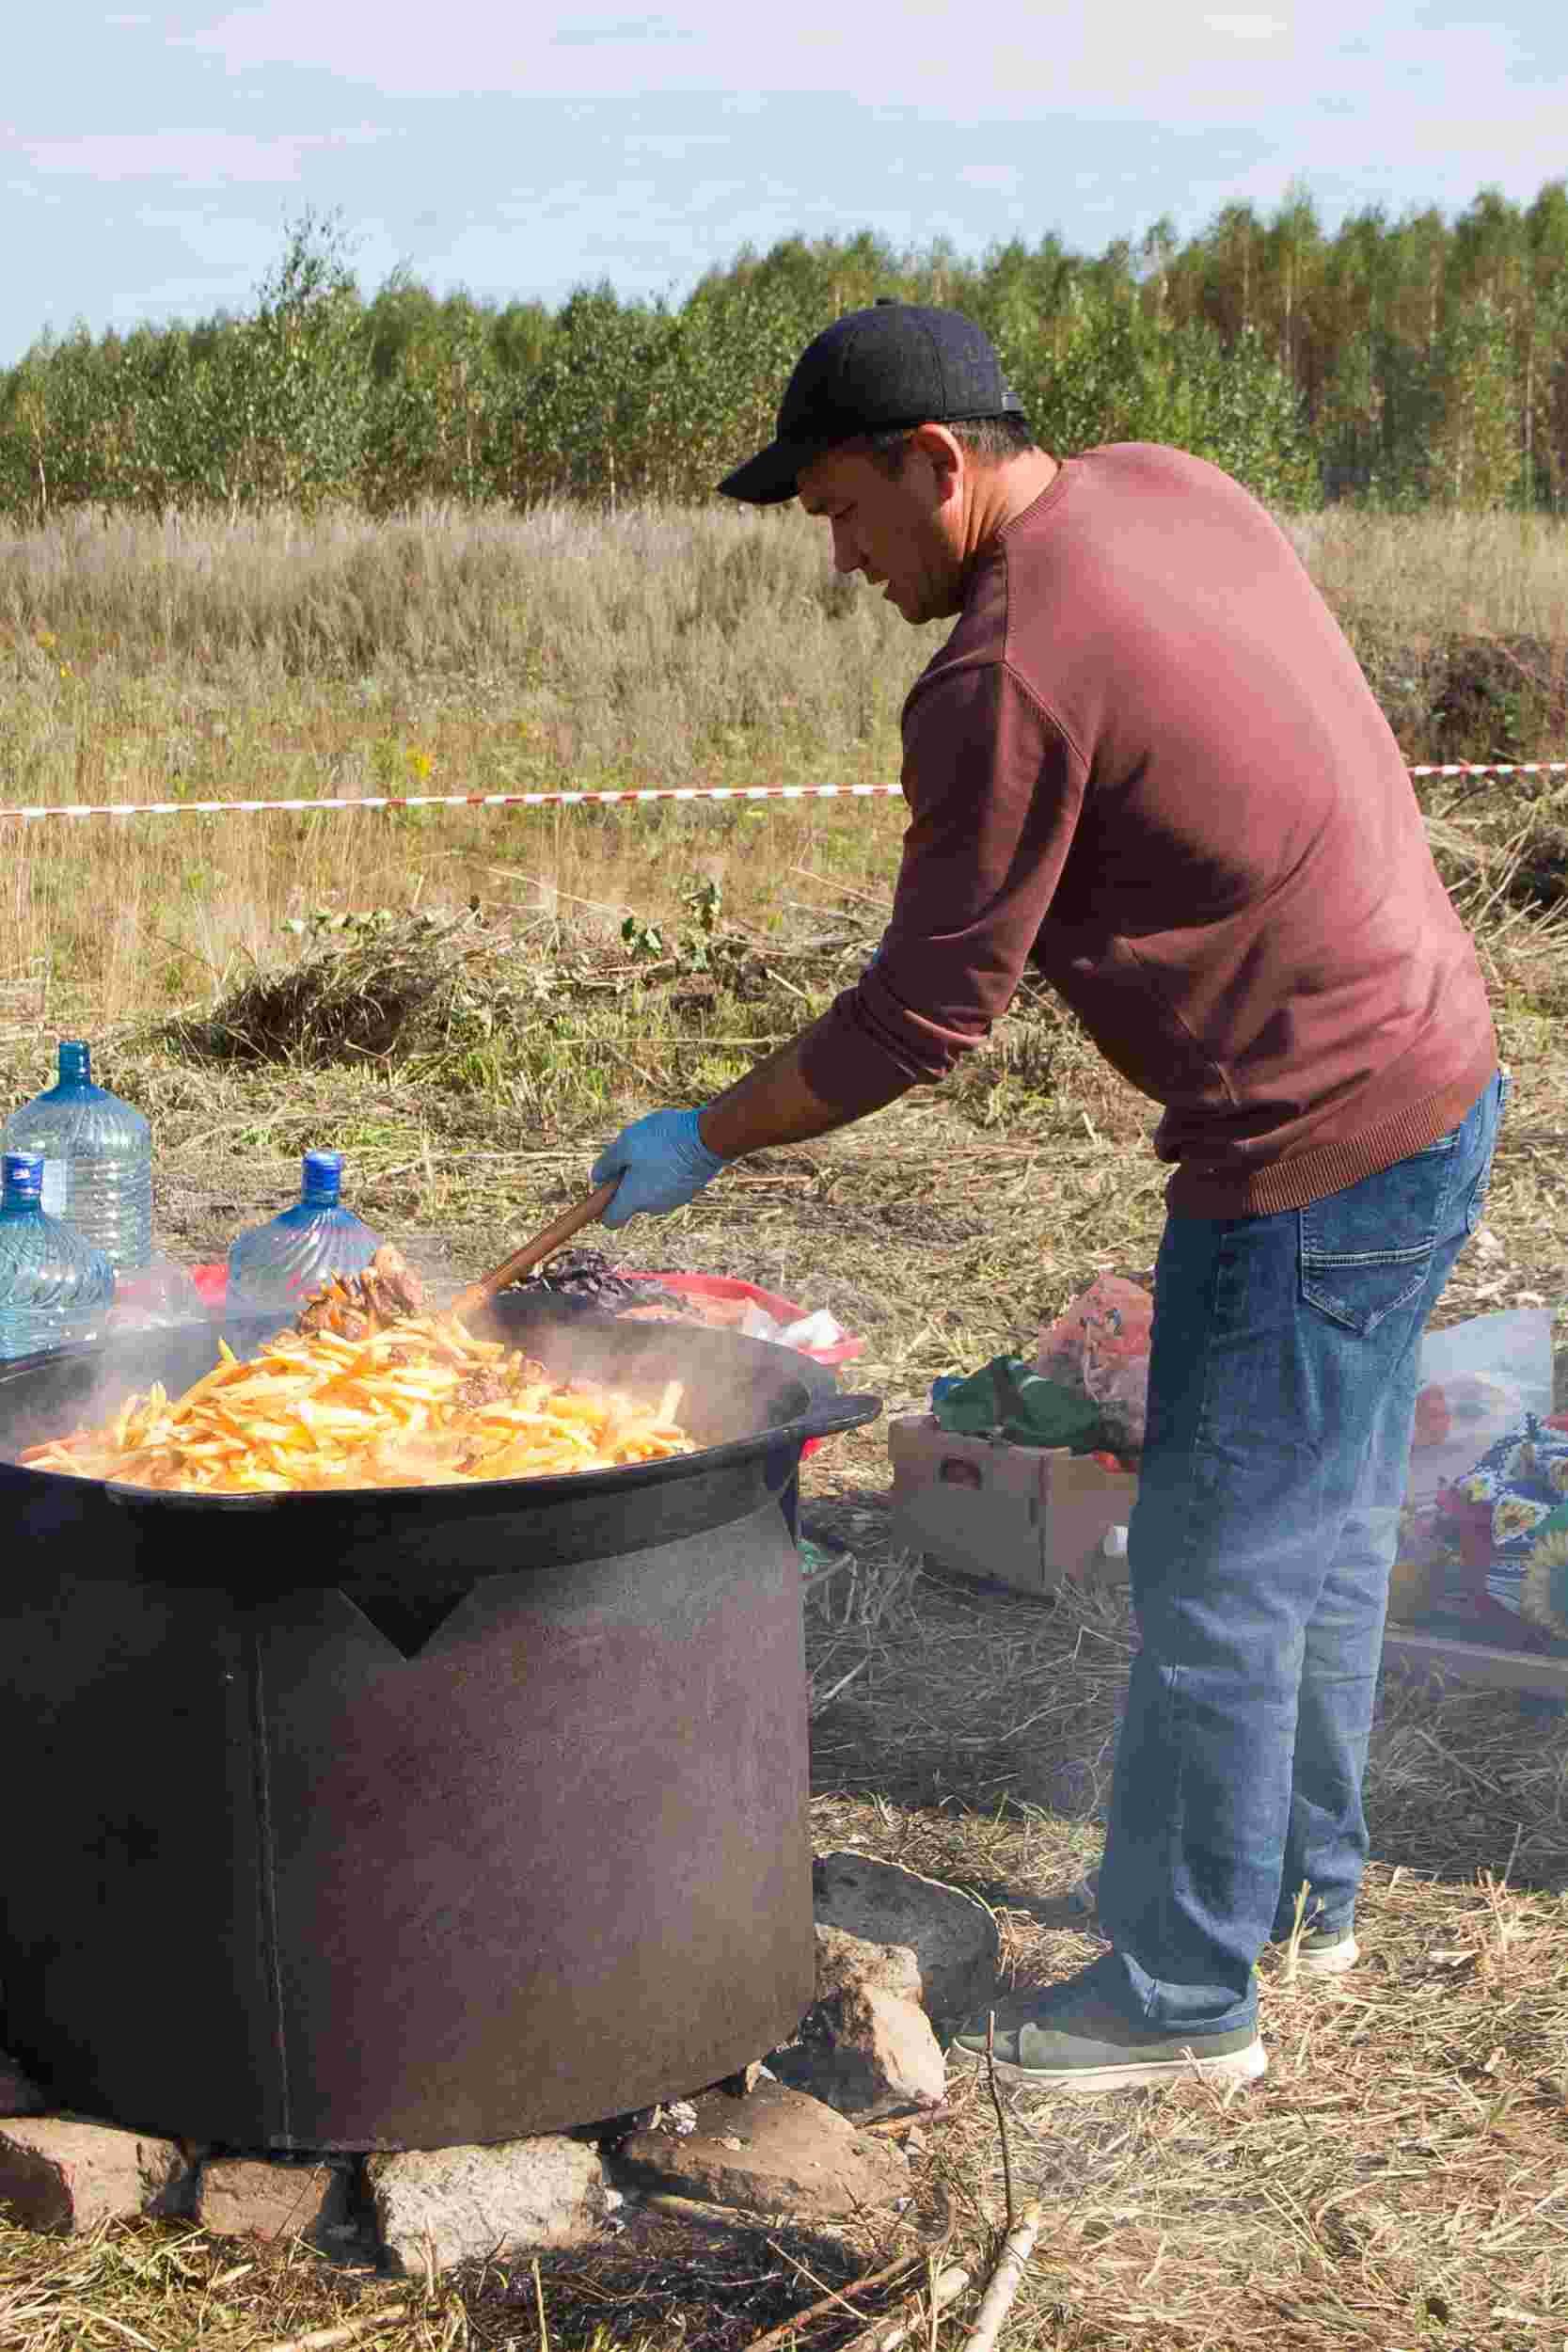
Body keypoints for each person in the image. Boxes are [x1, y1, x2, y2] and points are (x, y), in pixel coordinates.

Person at [591, 303, 1503, 2092]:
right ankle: (1297, 1898)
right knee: (1310, 1535)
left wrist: (714, 1128)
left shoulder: (998, 675)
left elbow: (924, 1013)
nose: (845, 564)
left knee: (1217, 1567)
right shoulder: (1163, 485)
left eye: (846, 515)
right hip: (1437, 1062)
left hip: (1309, 1137)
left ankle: (1182, 2000)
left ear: (938, 463)